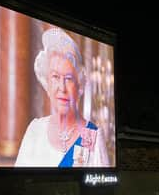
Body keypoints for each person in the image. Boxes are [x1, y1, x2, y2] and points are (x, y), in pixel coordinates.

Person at [15, 27, 110, 167]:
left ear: (80, 86)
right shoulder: (34, 130)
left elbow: (103, 188)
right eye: (55, 77)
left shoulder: (93, 137)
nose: (62, 87)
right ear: (47, 84)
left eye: (69, 78)